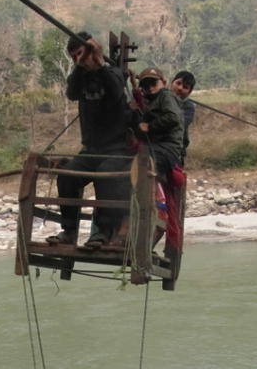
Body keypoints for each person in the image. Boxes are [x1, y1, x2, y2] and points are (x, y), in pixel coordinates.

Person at [48, 32, 132, 249]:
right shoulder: (79, 78)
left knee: (105, 176)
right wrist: (81, 64)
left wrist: (99, 62)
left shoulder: (114, 72)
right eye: (74, 57)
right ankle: (68, 230)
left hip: (117, 148)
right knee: (67, 176)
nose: (78, 60)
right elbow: (72, 93)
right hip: (91, 149)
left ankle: (103, 231)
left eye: (80, 54)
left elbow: (115, 91)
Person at [136, 67, 184, 183]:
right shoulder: (150, 101)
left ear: (163, 83)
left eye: (153, 83)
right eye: (146, 86)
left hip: (167, 148)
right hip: (155, 147)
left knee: (144, 168)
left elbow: (173, 118)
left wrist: (150, 126)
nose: (150, 88)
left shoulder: (166, 96)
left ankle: (150, 200)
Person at [170, 70, 196, 164]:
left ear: (189, 92)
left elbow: (177, 125)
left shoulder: (189, 107)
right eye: (178, 83)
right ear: (172, 82)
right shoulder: (160, 99)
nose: (180, 88)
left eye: (185, 87)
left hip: (176, 151)